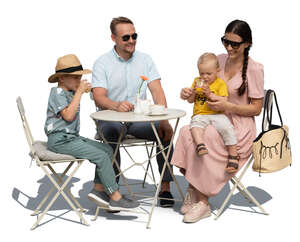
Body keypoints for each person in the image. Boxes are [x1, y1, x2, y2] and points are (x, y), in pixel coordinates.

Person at [171, 20, 264, 223]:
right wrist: (190, 93)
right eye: (225, 41)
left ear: (247, 44)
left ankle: (203, 202)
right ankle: (193, 188)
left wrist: (228, 106)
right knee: (187, 131)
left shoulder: (255, 69)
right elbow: (203, 88)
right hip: (212, 118)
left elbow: (256, 109)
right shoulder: (218, 60)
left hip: (239, 126)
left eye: (234, 44)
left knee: (208, 136)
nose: (228, 47)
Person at [91, 16, 175, 207]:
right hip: (111, 118)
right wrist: (116, 105)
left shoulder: (146, 60)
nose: (131, 41)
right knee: (111, 132)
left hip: (139, 120)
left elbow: (157, 91)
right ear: (113, 38)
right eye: (126, 37)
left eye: (134, 36)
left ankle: (165, 188)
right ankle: (112, 190)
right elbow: (98, 96)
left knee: (165, 133)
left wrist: (164, 121)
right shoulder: (102, 63)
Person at [45, 54, 140, 211]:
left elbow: (88, 98)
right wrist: (79, 92)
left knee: (107, 149)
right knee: (101, 156)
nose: (79, 81)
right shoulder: (56, 93)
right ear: (61, 79)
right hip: (60, 140)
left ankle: (98, 190)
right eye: (75, 78)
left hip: (71, 138)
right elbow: (68, 116)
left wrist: (85, 92)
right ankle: (115, 196)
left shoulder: (70, 92)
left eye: (80, 77)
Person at [188, 52, 238, 173]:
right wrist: (192, 93)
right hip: (200, 114)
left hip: (217, 114)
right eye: (202, 73)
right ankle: (200, 145)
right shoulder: (197, 81)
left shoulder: (220, 83)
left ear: (217, 71)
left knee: (227, 128)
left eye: (209, 74)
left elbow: (224, 100)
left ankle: (233, 154)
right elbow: (190, 100)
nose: (205, 77)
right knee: (194, 126)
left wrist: (209, 94)